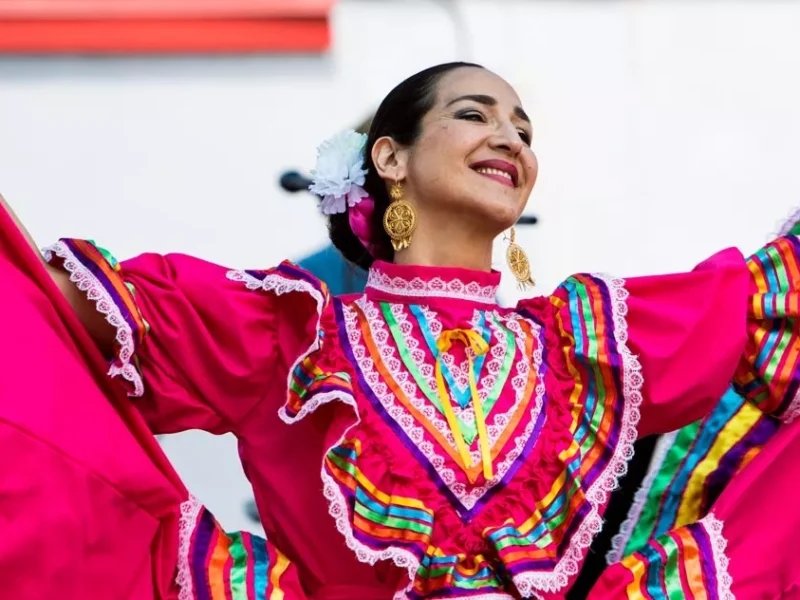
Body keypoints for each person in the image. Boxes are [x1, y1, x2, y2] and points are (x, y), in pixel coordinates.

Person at [6, 61, 800, 599]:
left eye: (524, 129)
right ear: (390, 155)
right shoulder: (292, 332)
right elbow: (41, 314)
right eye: (474, 114)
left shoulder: (576, 346)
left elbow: (763, 300)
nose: (511, 138)